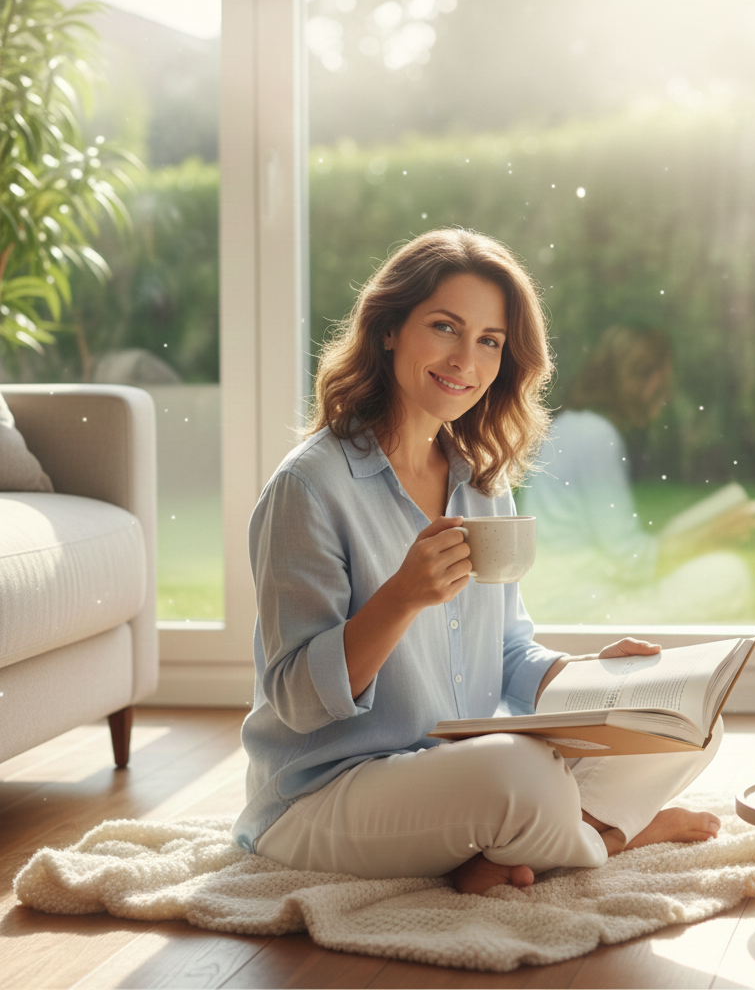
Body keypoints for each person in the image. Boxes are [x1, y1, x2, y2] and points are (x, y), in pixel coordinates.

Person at [232, 231, 724, 895]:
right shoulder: (310, 487)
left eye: (490, 340)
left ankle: (536, 841)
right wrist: (401, 597)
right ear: (388, 331)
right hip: (321, 795)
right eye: (445, 328)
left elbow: (506, 650)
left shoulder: (478, 480)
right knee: (519, 772)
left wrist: (595, 679)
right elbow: (294, 697)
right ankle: (617, 833)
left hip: (448, 773)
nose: (467, 359)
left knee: (690, 723)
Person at [519, 326, 755, 623]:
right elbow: (632, 562)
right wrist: (713, 535)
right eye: (665, 380)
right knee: (730, 574)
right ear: (651, 379)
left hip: (553, 601)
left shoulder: (566, 426)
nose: (666, 393)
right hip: (587, 609)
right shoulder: (597, 435)